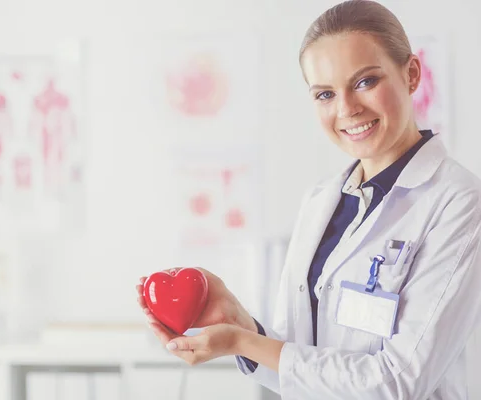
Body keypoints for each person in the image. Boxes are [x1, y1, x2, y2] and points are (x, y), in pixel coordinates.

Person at [135, 0, 481, 398]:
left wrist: (243, 343)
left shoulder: (459, 203)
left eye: (366, 81)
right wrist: (240, 323)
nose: (347, 109)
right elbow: (298, 367)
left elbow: (399, 383)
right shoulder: (320, 201)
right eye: (325, 94)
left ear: (412, 74)